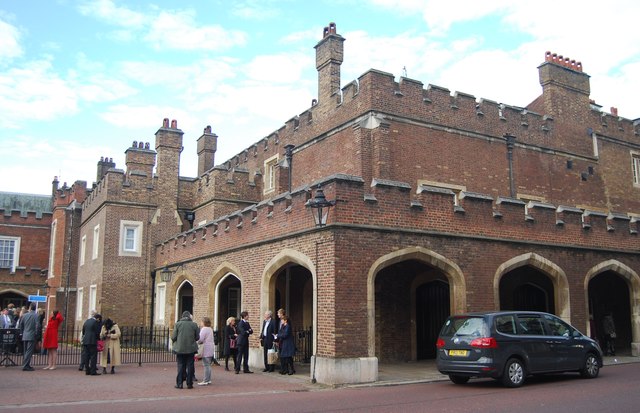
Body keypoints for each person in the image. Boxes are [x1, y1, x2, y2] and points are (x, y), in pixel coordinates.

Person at [171, 311, 199, 389]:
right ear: (189, 317)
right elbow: (197, 337)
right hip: (191, 349)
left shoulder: (178, 324)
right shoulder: (194, 325)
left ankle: (179, 384)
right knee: (190, 366)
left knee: (180, 365)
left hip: (179, 349)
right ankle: (189, 383)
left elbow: (173, 337)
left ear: (182, 316)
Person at [20, 303, 40, 371]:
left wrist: (22, 333)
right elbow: (38, 326)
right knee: (29, 351)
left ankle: (26, 364)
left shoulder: (24, 315)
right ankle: (25, 365)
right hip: (32, 335)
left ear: (30, 308)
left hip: (25, 335)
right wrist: (36, 334)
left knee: (26, 351)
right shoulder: (36, 315)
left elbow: (21, 325)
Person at [197, 316, 215, 385]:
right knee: (208, 365)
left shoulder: (204, 329)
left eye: (201, 321)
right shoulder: (210, 329)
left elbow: (200, 339)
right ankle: (208, 379)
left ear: (204, 322)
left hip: (206, 348)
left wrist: (197, 341)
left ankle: (206, 380)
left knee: (206, 365)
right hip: (210, 348)